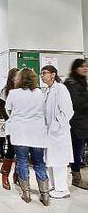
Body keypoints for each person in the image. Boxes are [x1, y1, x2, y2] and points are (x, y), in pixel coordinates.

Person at [6, 68, 49, 206]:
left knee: (22, 161)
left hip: (20, 132)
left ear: (19, 79)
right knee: (39, 163)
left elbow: (8, 108)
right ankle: (45, 195)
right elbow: (44, 111)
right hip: (37, 132)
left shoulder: (13, 93)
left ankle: (26, 193)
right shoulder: (39, 93)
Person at [41, 65, 74, 199]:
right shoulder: (48, 90)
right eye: (41, 73)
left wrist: (55, 125)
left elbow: (67, 111)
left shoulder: (61, 89)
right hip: (49, 133)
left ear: (53, 74)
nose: (42, 76)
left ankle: (63, 189)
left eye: (44, 73)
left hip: (58, 133)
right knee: (51, 160)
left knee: (59, 161)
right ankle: (55, 186)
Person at [64, 59, 88, 189]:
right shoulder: (71, 83)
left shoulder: (83, 82)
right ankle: (76, 178)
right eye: (82, 66)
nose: (85, 68)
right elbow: (75, 103)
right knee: (77, 151)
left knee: (79, 151)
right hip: (76, 124)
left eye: (86, 66)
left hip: (84, 123)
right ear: (75, 69)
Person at [0, 68, 20, 190]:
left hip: (22, 124)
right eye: (17, 76)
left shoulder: (23, 89)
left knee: (21, 150)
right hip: (12, 124)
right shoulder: (6, 90)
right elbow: (1, 107)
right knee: (11, 150)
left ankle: (17, 173)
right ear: (12, 77)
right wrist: (8, 120)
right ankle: (5, 173)